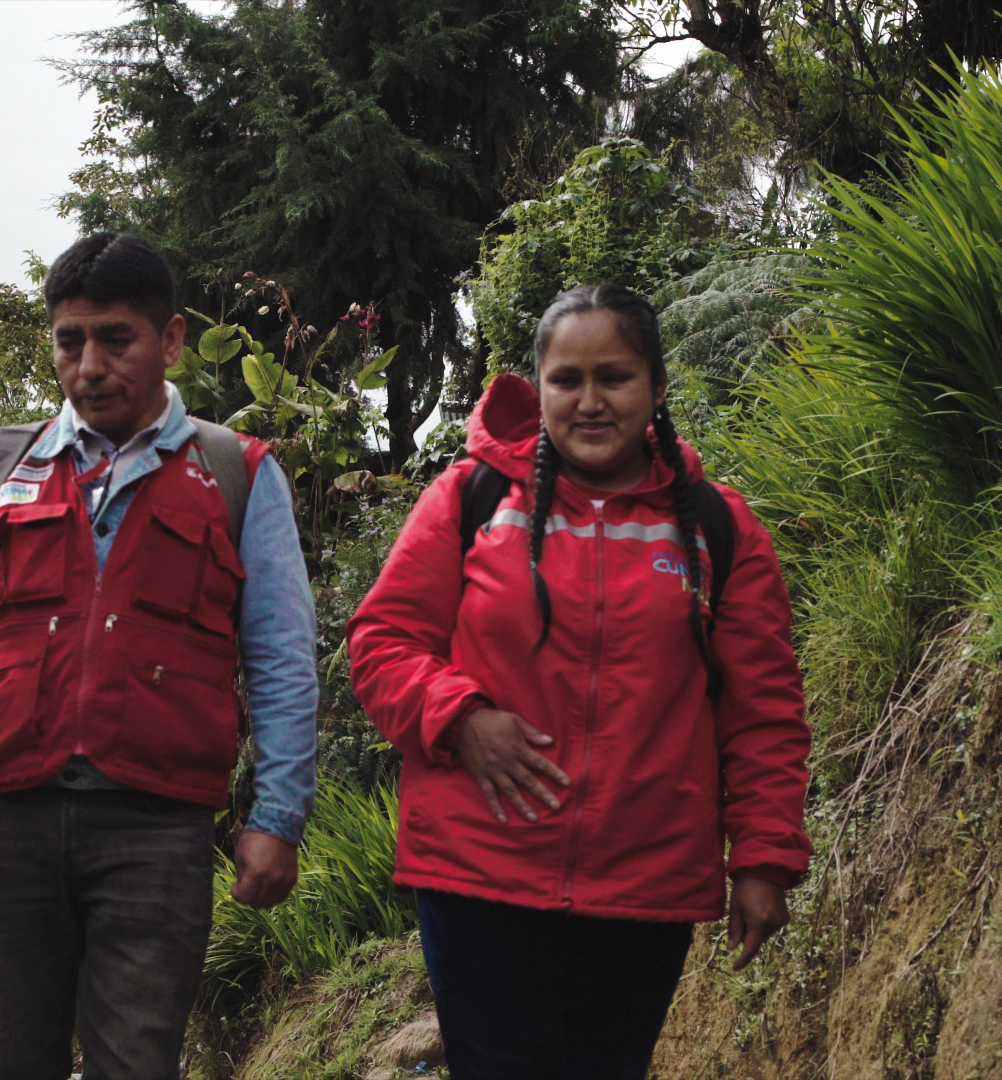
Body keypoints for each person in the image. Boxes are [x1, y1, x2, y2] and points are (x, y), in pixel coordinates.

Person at [0, 233, 319, 1078]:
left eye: (116, 339)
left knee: (139, 1065)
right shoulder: (2, 466)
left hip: (156, 827)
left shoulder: (236, 473)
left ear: (171, 339)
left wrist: (275, 817)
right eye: (70, 342)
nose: (89, 366)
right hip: (4, 825)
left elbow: (283, 660)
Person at [346, 284, 810, 1079]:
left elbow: (761, 711)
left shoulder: (716, 529)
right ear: (540, 387)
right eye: (567, 380)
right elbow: (381, 643)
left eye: (615, 378)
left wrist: (763, 859)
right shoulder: (470, 500)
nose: (590, 402)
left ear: (657, 390)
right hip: (479, 872)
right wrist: (460, 718)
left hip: (645, 883)